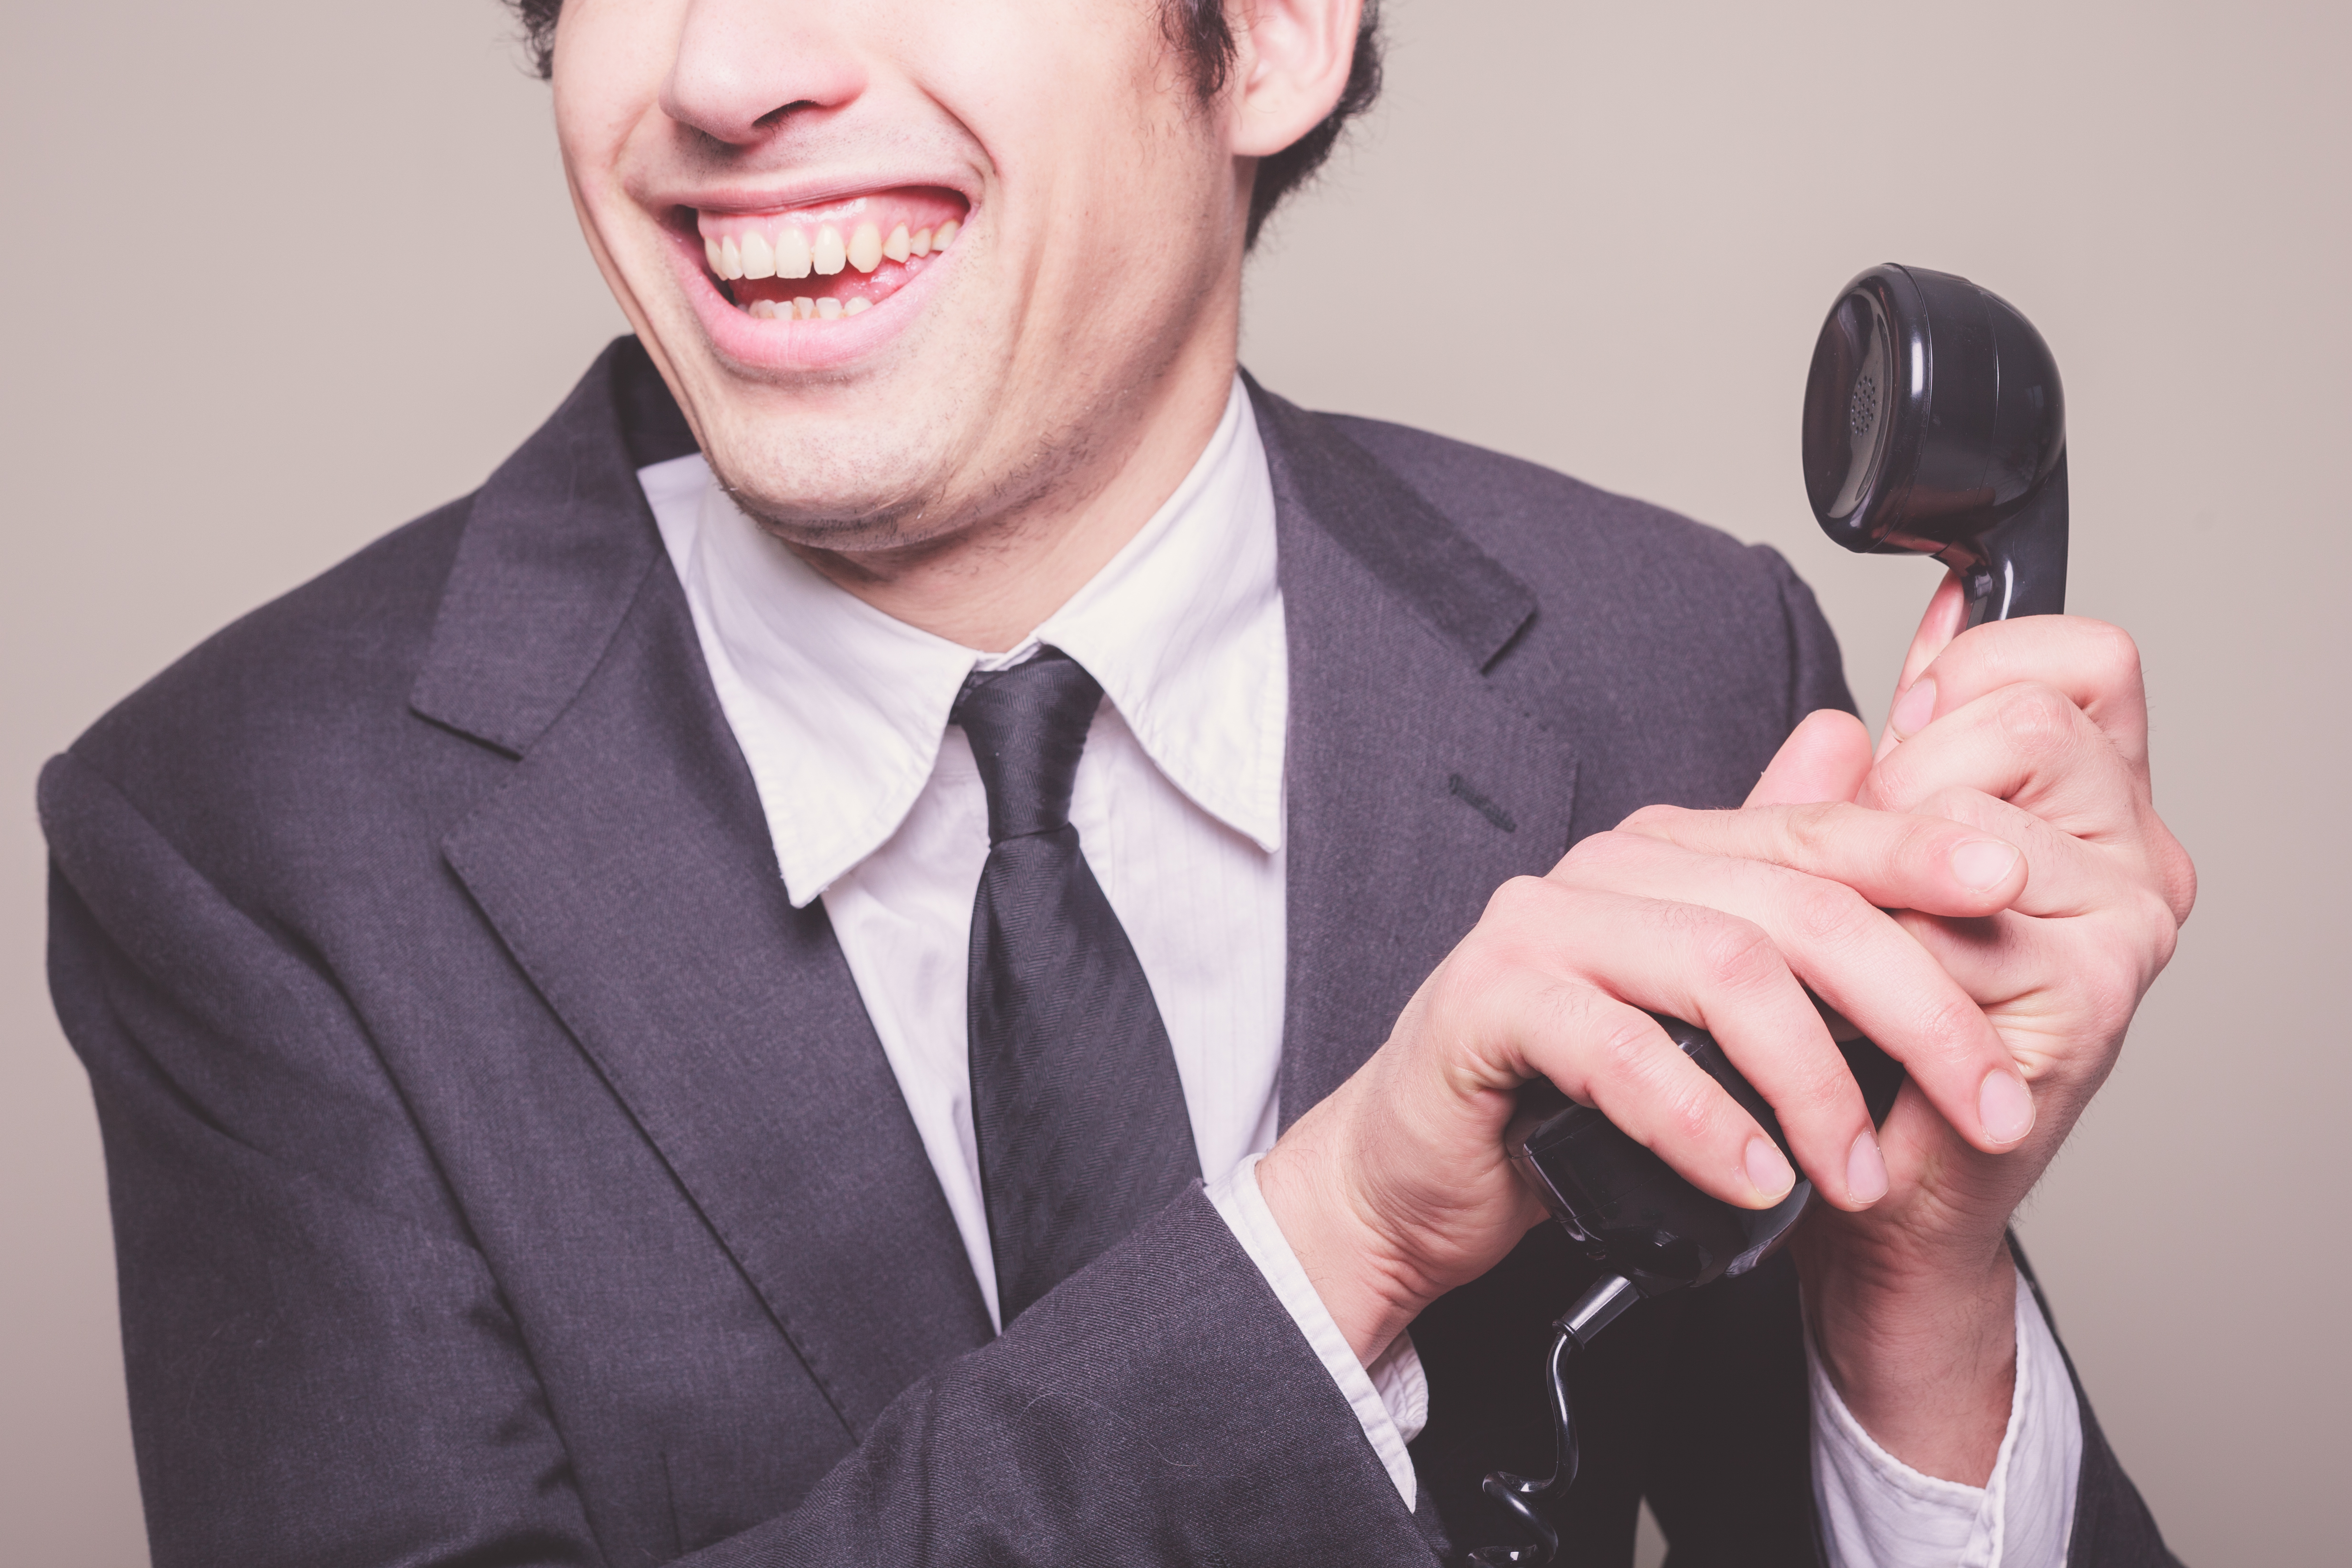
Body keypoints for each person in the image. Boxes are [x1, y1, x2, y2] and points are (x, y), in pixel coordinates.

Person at [39, 0, 2194, 1563]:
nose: (714, 71)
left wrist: (1914, 1288)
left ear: (1268, 35)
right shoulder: (245, 836)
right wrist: (1332, 1241)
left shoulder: (1675, 660)